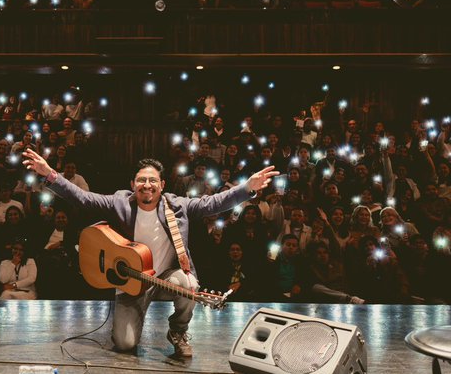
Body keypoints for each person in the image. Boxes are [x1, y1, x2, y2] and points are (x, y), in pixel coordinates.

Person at [23, 148, 277, 358]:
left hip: (167, 276)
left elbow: (213, 203)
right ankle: (129, 324)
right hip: (133, 282)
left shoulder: (177, 206)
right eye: (141, 180)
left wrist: (247, 188)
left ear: (162, 185)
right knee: (124, 345)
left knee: (188, 283)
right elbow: (83, 198)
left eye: (153, 180)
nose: (147, 185)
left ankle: (177, 331)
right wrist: (51, 176)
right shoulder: (119, 202)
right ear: (133, 184)